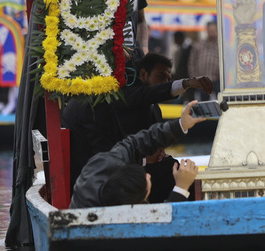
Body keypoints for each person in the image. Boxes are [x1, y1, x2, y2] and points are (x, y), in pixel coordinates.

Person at [62, 52, 213, 202]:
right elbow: (110, 154)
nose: (166, 81)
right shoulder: (100, 104)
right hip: (106, 180)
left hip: (124, 166)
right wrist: (146, 161)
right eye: (161, 76)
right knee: (172, 174)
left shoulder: (98, 100)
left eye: (169, 78)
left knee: (172, 167)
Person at [69, 101, 205, 208]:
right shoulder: (120, 223)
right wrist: (181, 187)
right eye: (146, 183)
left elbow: (135, 143)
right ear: (137, 206)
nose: (149, 175)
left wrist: (181, 125)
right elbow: (161, 226)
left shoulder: (103, 163)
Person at [187, 20, 220, 101]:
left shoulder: (221, 45)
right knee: (203, 103)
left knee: (220, 102)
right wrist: (194, 77)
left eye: (213, 30)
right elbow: (191, 62)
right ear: (207, 30)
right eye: (210, 30)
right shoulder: (199, 45)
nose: (211, 32)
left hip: (217, 79)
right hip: (202, 80)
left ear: (217, 31)